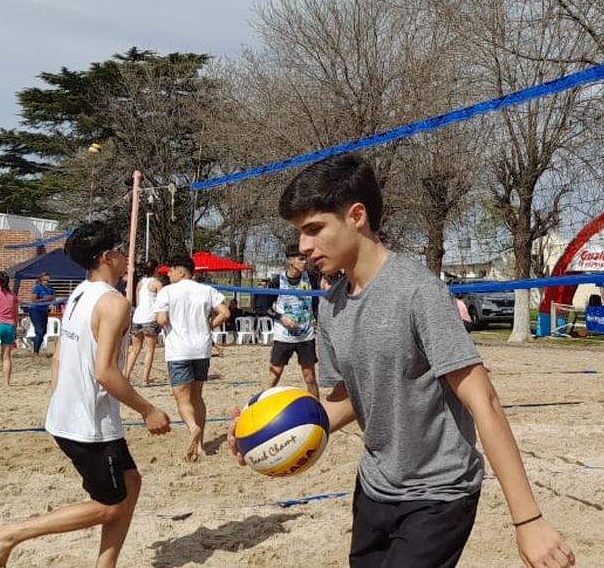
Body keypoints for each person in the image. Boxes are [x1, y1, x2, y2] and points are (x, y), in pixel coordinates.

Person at [228, 153, 574, 568]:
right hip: (374, 488)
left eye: (314, 229)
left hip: (437, 495)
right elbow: (351, 399)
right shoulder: (331, 305)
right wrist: (263, 430)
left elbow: (484, 402)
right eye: (300, 234)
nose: (304, 246)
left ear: (356, 216)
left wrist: (528, 521)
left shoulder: (418, 293)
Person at [0, 221, 171, 568]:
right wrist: (147, 410)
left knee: (130, 483)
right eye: (118, 250)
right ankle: (9, 534)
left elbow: (59, 356)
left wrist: (58, 405)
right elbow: (105, 372)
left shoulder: (79, 293)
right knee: (110, 504)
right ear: (106, 257)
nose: (124, 256)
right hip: (87, 424)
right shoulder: (113, 303)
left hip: (71, 415)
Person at [153, 255, 229, 462]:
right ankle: (201, 445)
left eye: (170, 270)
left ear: (181, 271)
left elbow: (160, 319)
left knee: (182, 398)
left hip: (178, 349)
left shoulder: (167, 291)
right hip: (201, 348)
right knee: (197, 396)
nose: (168, 274)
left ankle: (193, 428)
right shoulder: (206, 290)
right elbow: (225, 312)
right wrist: (208, 326)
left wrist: (166, 322)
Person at [266, 249, 321, 396]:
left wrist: (319, 320)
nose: (305, 262)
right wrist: (281, 317)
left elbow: (316, 304)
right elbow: (262, 307)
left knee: (309, 376)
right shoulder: (277, 281)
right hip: (283, 336)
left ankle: (317, 408)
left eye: (305, 259)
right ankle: (259, 405)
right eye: (301, 259)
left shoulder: (311, 278)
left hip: (306, 336)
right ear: (290, 260)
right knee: (275, 374)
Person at [123, 261, 163, 384]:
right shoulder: (157, 284)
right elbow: (161, 303)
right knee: (149, 350)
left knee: (135, 349)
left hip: (138, 317)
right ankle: (145, 379)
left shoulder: (140, 283)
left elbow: (138, 302)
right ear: (155, 269)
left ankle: (126, 375)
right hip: (150, 317)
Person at [28, 272, 58, 356]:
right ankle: (35, 351)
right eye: (45, 280)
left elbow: (54, 297)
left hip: (44, 310)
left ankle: (36, 347)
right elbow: (33, 299)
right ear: (41, 280)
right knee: (40, 331)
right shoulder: (37, 288)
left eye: (48, 280)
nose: (47, 282)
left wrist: (51, 299)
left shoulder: (50, 288)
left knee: (44, 331)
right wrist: (44, 299)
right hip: (35, 310)